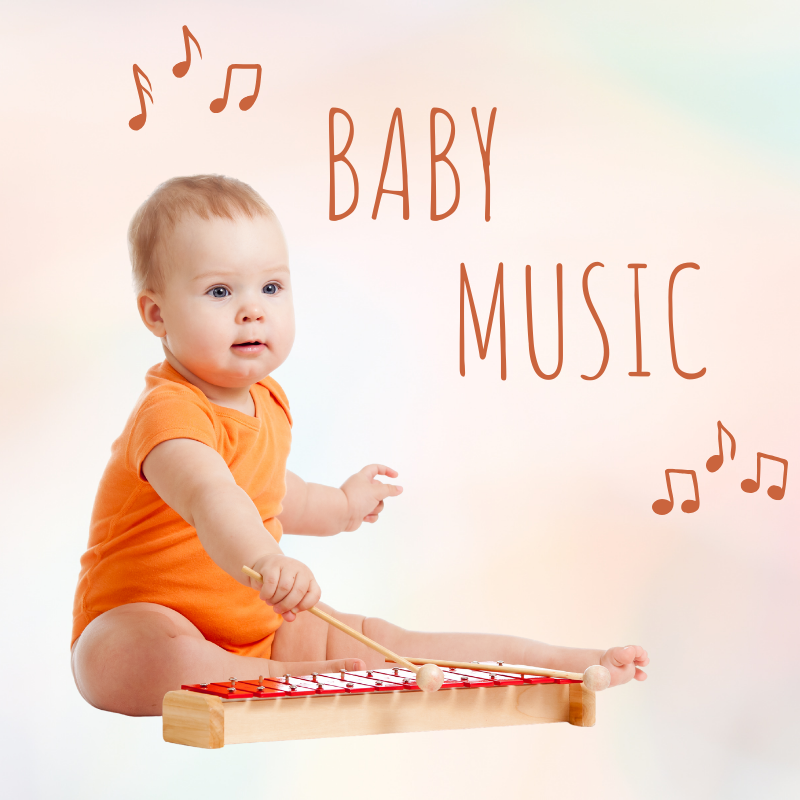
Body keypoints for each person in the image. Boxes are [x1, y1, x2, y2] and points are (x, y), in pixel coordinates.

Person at [71, 175, 649, 716]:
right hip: (146, 618)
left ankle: (560, 665)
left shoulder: (266, 400)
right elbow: (213, 497)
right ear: (156, 313)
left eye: (271, 286)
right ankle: (265, 679)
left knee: (386, 643)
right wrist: (267, 560)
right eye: (220, 290)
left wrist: (341, 508)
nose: (253, 308)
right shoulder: (168, 412)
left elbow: (269, 492)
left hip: (255, 627)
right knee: (130, 655)